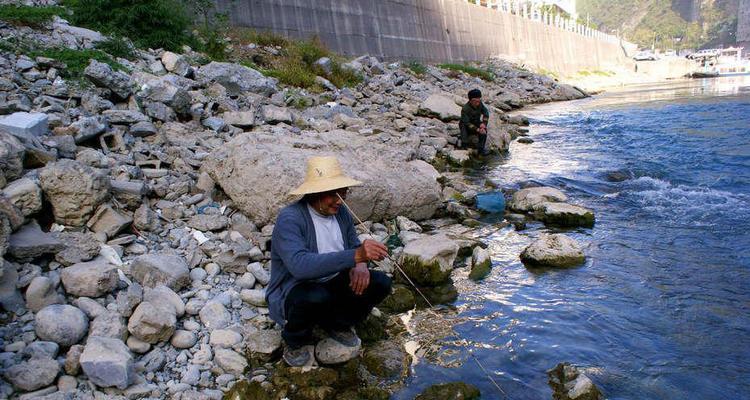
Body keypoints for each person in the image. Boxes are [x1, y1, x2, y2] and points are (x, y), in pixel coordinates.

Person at [266, 156, 393, 367]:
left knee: (380, 283)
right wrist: (357, 256)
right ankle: (295, 340)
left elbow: (353, 244)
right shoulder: (290, 218)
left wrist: (361, 265)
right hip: (298, 288)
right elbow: (300, 267)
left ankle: (337, 324)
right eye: (333, 195)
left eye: (343, 193)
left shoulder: (340, 211)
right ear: (314, 193)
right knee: (315, 296)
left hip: (334, 281)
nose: (340, 200)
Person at [460, 88, 491, 155]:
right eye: (475, 101)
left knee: (484, 131)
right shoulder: (465, 109)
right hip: (467, 125)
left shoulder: (480, 104)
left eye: (478, 101)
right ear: (470, 100)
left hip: (476, 122)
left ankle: (481, 149)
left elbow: (486, 113)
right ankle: (464, 144)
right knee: (463, 126)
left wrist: (484, 124)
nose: (477, 103)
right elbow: (467, 123)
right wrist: (477, 129)